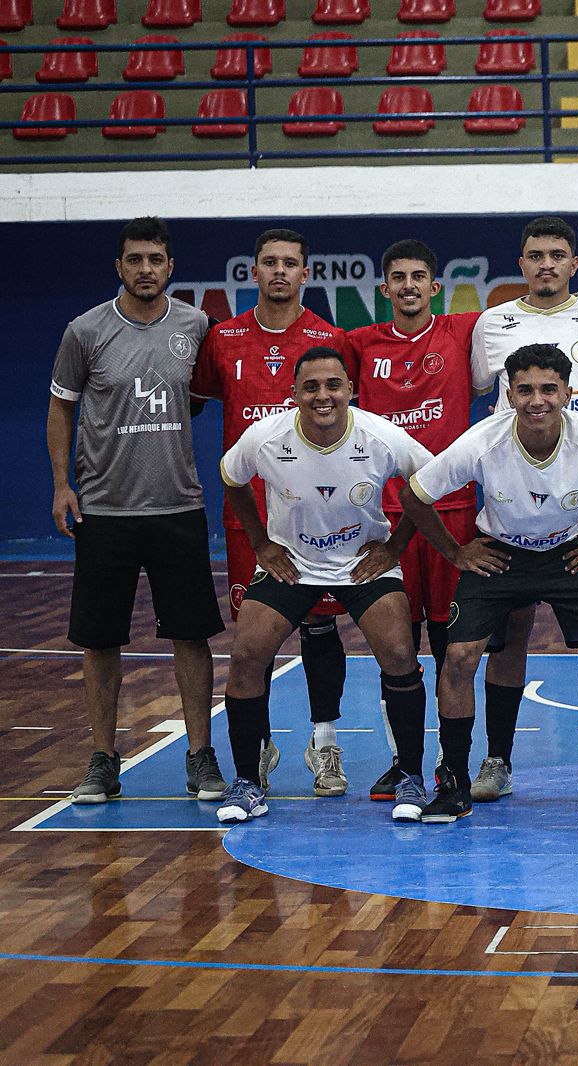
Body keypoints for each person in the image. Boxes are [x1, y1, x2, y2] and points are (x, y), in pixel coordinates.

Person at [402, 344, 578, 823]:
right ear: (508, 394)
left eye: (549, 389)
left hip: (571, 551)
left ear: (569, 393)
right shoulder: (483, 441)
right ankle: (455, 782)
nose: (536, 400)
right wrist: (456, 551)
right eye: (524, 390)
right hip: (501, 553)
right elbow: (416, 493)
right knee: (460, 656)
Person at [48, 216, 226, 805]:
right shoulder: (85, 331)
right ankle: (102, 758)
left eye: (156, 259)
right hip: (104, 510)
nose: (146, 269)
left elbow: (200, 400)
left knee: (192, 635)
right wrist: (61, 484)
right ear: (119, 267)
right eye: (135, 259)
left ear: (171, 267)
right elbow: (61, 409)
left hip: (178, 506)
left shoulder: (196, 326)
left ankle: (200, 757)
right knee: (99, 642)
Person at [215, 348, 432, 824]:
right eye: (310, 386)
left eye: (333, 384)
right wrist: (260, 543)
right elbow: (231, 477)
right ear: (292, 393)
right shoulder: (267, 437)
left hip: (361, 564)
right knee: (247, 655)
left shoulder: (379, 435)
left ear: (350, 390)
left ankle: (412, 777)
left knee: (399, 654)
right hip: (292, 562)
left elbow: (426, 479)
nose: (322, 395)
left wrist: (394, 548)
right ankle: (248, 783)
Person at [470, 217, 578, 801]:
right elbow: (481, 397)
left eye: (558, 254)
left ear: (575, 263)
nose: (547, 263)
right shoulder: (495, 323)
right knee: (509, 635)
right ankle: (496, 760)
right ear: (521, 263)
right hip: (513, 504)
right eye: (535, 254)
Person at [191, 228, 355, 798]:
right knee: (252, 640)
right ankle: (256, 748)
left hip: (320, 517)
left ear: (306, 273)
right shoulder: (223, 340)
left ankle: (325, 742)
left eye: (290, 263)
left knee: (320, 624)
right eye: (270, 263)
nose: (280, 271)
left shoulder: (329, 339)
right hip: (251, 521)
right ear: (253, 272)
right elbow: (201, 401)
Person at [348, 239, 481, 801]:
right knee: (398, 652)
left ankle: (452, 767)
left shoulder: (464, 330)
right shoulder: (357, 345)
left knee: (455, 651)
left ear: (435, 287)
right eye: (397, 276)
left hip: (454, 519)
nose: (407, 285)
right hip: (390, 523)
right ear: (384, 289)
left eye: (418, 276)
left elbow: (540, 302)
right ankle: (405, 764)